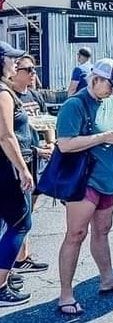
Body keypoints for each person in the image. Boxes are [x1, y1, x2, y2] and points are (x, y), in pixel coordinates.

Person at [55, 58, 113, 316]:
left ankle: (107, 278)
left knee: (103, 230)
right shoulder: (75, 105)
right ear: (96, 79)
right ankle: (65, 294)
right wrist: (103, 137)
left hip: (108, 177)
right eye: (110, 85)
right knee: (76, 234)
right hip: (84, 179)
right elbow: (64, 144)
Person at [9, 55, 51, 273]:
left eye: (35, 68)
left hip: (37, 159)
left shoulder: (34, 95)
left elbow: (46, 121)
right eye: (29, 69)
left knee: (29, 210)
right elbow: (9, 135)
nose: (34, 73)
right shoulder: (9, 97)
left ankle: (22, 256)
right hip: (20, 160)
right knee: (17, 215)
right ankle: (10, 262)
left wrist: (51, 143)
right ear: (16, 72)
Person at [0, 42, 34, 307]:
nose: (14, 63)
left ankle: (6, 276)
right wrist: (23, 169)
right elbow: (6, 135)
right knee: (21, 223)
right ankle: (0, 285)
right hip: (6, 168)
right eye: (10, 59)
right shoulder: (3, 92)